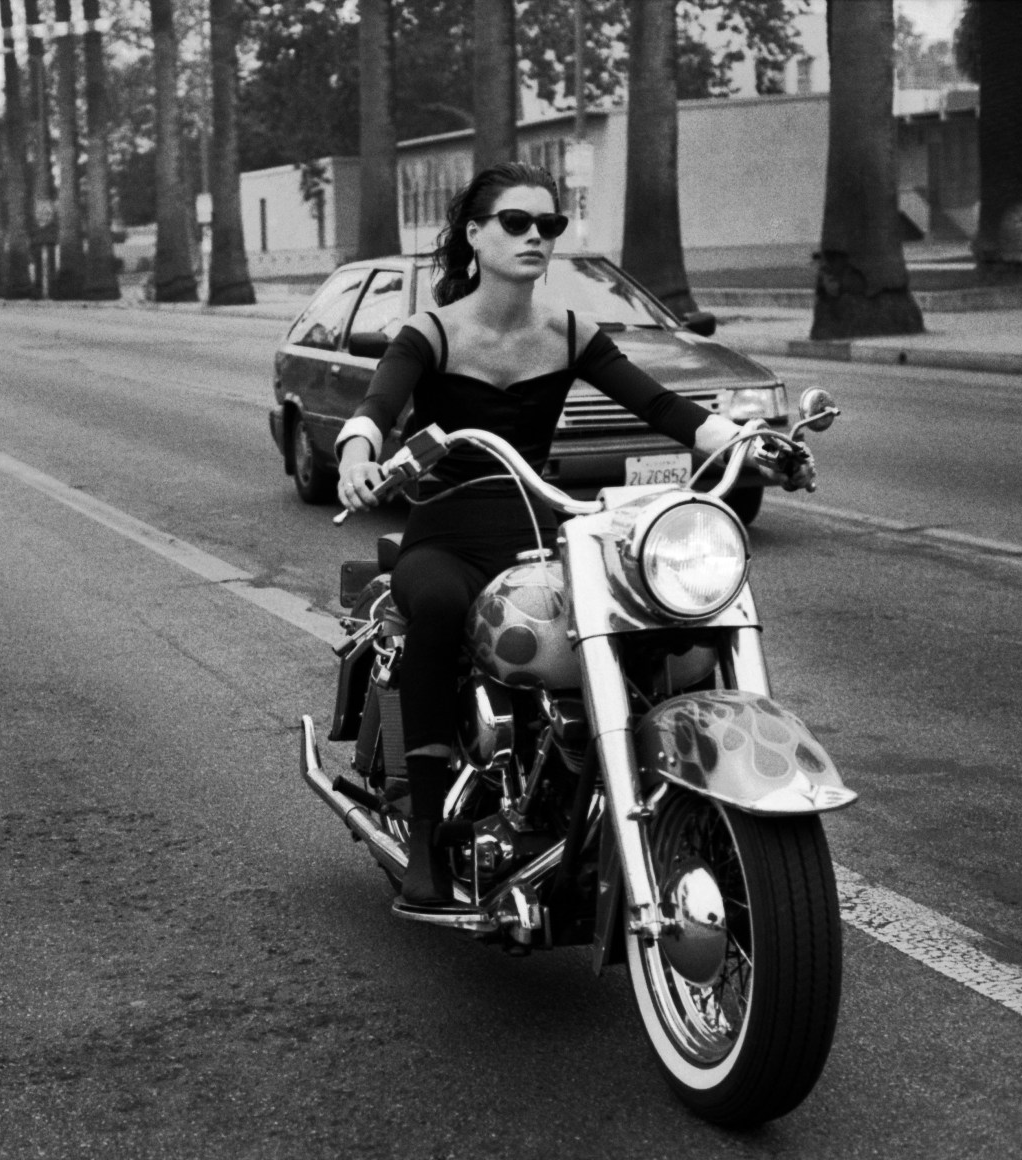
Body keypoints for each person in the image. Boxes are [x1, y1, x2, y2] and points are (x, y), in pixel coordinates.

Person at [334, 162, 811, 908]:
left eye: (548, 225)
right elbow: (376, 404)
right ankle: (425, 836)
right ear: (473, 235)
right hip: (450, 533)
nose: (535, 237)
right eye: (516, 223)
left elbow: (660, 406)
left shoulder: (568, 332)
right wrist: (357, 453)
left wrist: (746, 442)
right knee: (431, 610)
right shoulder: (428, 332)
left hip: (541, 526)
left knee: (648, 620)